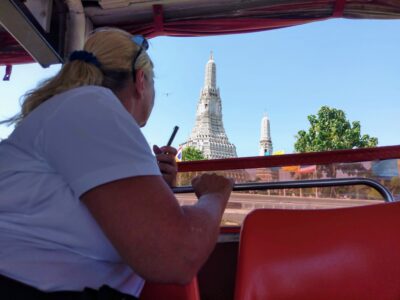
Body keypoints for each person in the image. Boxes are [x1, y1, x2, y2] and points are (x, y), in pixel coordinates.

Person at [0, 28, 233, 299]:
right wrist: (215, 195)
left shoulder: (75, 110)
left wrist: (160, 188)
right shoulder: (90, 105)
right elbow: (176, 257)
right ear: (141, 81)